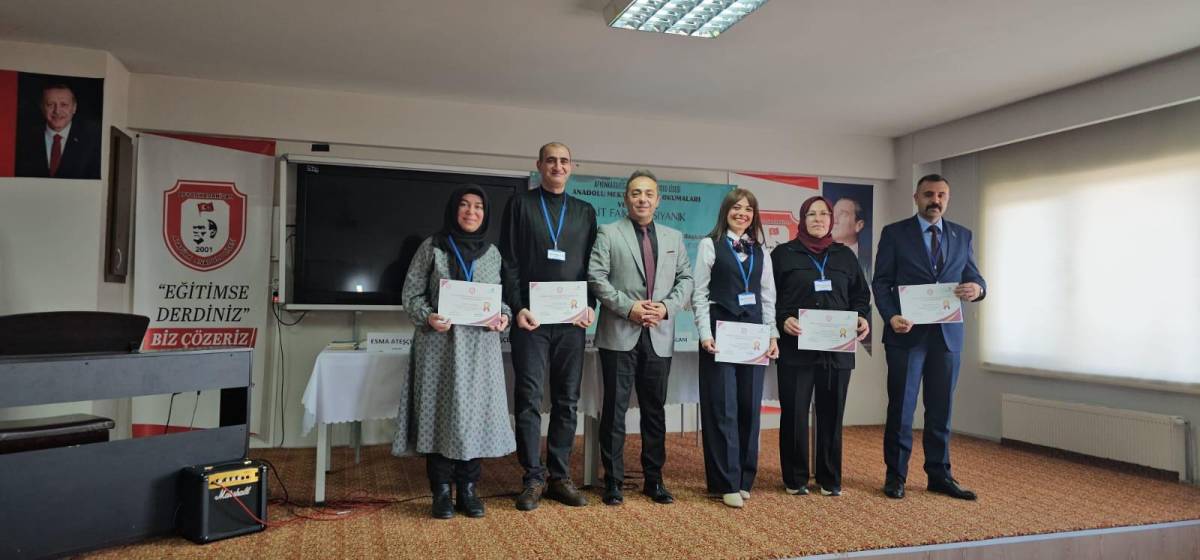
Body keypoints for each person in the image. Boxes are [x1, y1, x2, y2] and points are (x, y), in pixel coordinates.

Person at [397, 185, 514, 519]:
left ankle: (469, 489)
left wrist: (503, 315)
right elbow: (411, 294)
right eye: (464, 205)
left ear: (485, 214)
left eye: (478, 207)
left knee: (473, 417)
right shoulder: (431, 247)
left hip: (480, 348)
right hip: (439, 346)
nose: (471, 212)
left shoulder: (493, 253)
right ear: (453, 210)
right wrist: (427, 316)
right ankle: (441, 492)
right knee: (438, 415)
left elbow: (499, 297)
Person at [873, 174, 986, 501]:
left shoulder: (961, 235)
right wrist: (891, 315)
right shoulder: (895, 234)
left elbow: (974, 276)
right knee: (902, 409)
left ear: (947, 198)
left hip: (947, 337)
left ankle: (940, 475)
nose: (935, 200)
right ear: (916, 197)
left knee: (941, 410)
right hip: (905, 334)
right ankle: (896, 476)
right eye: (928, 194)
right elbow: (880, 282)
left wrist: (977, 289)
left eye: (941, 195)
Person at [498, 142, 598, 511]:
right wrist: (517, 307)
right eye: (551, 160)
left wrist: (590, 305)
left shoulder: (585, 212)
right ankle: (532, 477)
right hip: (531, 321)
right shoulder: (521, 204)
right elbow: (508, 261)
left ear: (572, 167)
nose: (558, 166)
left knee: (567, 400)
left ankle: (560, 477)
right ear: (539, 165)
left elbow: (592, 266)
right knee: (527, 399)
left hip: (572, 321)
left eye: (564, 161)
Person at [588, 169, 693, 506]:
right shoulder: (608, 232)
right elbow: (596, 276)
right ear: (626, 198)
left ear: (658, 200)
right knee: (614, 411)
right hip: (619, 333)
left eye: (648, 193)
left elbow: (686, 280)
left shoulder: (674, 237)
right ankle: (614, 481)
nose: (642, 199)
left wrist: (665, 308)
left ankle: (654, 480)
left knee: (654, 412)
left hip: (659, 334)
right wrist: (629, 308)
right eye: (635, 193)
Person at [772, 196, 871, 497]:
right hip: (796, 348)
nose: (818, 219)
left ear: (831, 220)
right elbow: (769, 299)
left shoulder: (844, 256)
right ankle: (795, 478)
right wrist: (782, 320)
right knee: (795, 412)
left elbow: (860, 297)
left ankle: (829, 478)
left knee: (832, 413)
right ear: (801, 219)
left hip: (837, 350)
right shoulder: (783, 254)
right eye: (811, 214)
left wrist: (862, 319)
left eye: (824, 214)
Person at [691, 188, 779, 508]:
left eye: (749, 209)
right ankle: (724, 481)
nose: (742, 213)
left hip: (753, 335)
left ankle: (744, 478)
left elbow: (768, 297)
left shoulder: (761, 250)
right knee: (722, 408)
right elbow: (699, 295)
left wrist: (772, 337)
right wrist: (704, 333)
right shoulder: (708, 245)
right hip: (720, 334)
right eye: (737, 207)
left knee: (747, 408)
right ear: (726, 211)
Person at [14, 83, 101, 179]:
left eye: (64, 105)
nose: (57, 111)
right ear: (42, 107)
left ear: (74, 108)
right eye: (50, 104)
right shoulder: (24, 139)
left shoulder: (93, 140)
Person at [831, 197, 870, 276]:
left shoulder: (870, 258)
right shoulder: (821, 256)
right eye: (833, 213)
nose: (834, 220)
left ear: (859, 225)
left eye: (843, 214)